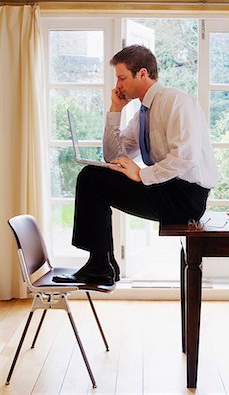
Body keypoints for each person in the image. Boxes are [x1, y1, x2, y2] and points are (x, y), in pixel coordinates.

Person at [53, 45, 218, 287]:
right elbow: (113, 155)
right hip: (167, 188)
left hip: (186, 198)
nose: (118, 85)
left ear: (142, 74)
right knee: (93, 177)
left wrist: (141, 174)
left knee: (91, 179)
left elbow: (185, 157)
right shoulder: (142, 114)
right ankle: (104, 264)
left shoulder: (176, 101)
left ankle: (101, 266)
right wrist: (115, 110)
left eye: (121, 78)